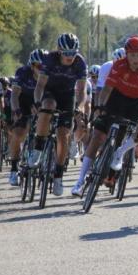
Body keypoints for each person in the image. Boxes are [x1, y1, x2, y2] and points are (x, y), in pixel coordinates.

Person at [71, 36, 138, 195]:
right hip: (115, 99)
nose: (136, 59)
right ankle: (80, 181)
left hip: (135, 102)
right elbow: (107, 90)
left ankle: (120, 153)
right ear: (127, 54)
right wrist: (101, 107)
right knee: (97, 137)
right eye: (132, 55)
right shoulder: (119, 65)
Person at [31, 33, 87, 196]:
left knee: (63, 136)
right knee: (48, 105)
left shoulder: (80, 63)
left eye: (73, 52)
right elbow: (40, 85)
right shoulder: (49, 59)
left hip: (67, 95)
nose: (70, 57)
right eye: (66, 53)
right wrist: (37, 101)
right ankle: (38, 147)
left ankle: (58, 176)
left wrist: (80, 106)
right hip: (49, 91)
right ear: (59, 51)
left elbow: (82, 90)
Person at [7, 49, 45, 185]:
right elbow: (14, 95)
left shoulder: (49, 75)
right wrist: (16, 110)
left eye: (44, 66)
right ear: (32, 66)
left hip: (42, 102)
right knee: (18, 134)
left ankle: (47, 161)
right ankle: (13, 169)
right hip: (23, 102)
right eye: (38, 66)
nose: (41, 69)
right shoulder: (22, 73)